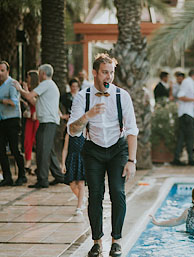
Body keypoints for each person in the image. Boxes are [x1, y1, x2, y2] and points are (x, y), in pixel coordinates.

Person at [68, 53, 139, 257]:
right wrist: (88, 115)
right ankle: (97, 241)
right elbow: (72, 130)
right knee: (96, 195)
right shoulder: (83, 97)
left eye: (111, 73)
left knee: (118, 192)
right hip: (93, 149)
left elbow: (132, 130)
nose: (108, 77)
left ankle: (116, 241)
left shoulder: (122, 96)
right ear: (95, 73)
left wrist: (132, 161)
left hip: (118, 148)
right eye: (105, 72)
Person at [17, 65, 63, 188]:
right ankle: (59, 176)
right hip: (47, 121)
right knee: (48, 150)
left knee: (42, 150)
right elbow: (36, 102)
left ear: (43, 73)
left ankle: (42, 180)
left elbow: (28, 96)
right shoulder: (49, 85)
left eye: (39, 73)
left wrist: (20, 89)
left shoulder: (46, 83)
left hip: (48, 122)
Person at [0, 61, 27, 186]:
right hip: (1, 121)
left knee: (14, 149)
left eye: (2, 70)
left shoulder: (12, 84)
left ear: (8, 71)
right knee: (1, 149)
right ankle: (7, 177)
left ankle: (22, 176)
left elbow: (14, 102)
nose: (0, 73)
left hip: (12, 120)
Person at [61, 78, 87, 215]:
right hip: (71, 158)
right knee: (72, 183)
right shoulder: (68, 134)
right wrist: (63, 163)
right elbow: (65, 148)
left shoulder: (84, 131)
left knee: (81, 183)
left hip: (81, 158)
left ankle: (78, 206)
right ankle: (81, 200)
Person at [174, 69, 194, 165]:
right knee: (189, 137)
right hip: (186, 113)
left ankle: (177, 158)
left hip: (186, 113)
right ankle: (190, 159)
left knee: (182, 137)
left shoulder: (189, 82)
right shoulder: (187, 82)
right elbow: (180, 96)